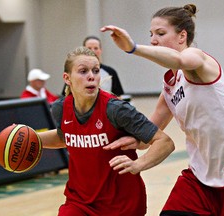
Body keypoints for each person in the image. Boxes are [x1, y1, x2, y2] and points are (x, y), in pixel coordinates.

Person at [100, 4, 224, 215]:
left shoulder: (198, 60)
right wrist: (130, 141)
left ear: (182, 36)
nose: (153, 40)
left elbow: (182, 60)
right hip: (200, 177)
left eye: (161, 33)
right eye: (151, 34)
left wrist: (133, 48)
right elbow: (148, 135)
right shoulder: (169, 88)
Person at [32, 47, 174, 215]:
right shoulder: (60, 108)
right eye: (83, 71)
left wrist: (139, 164)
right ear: (67, 78)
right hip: (80, 201)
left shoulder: (116, 109)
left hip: (121, 204)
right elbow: (66, 137)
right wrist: (31, 138)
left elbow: (165, 142)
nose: (91, 76)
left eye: (96, 71)